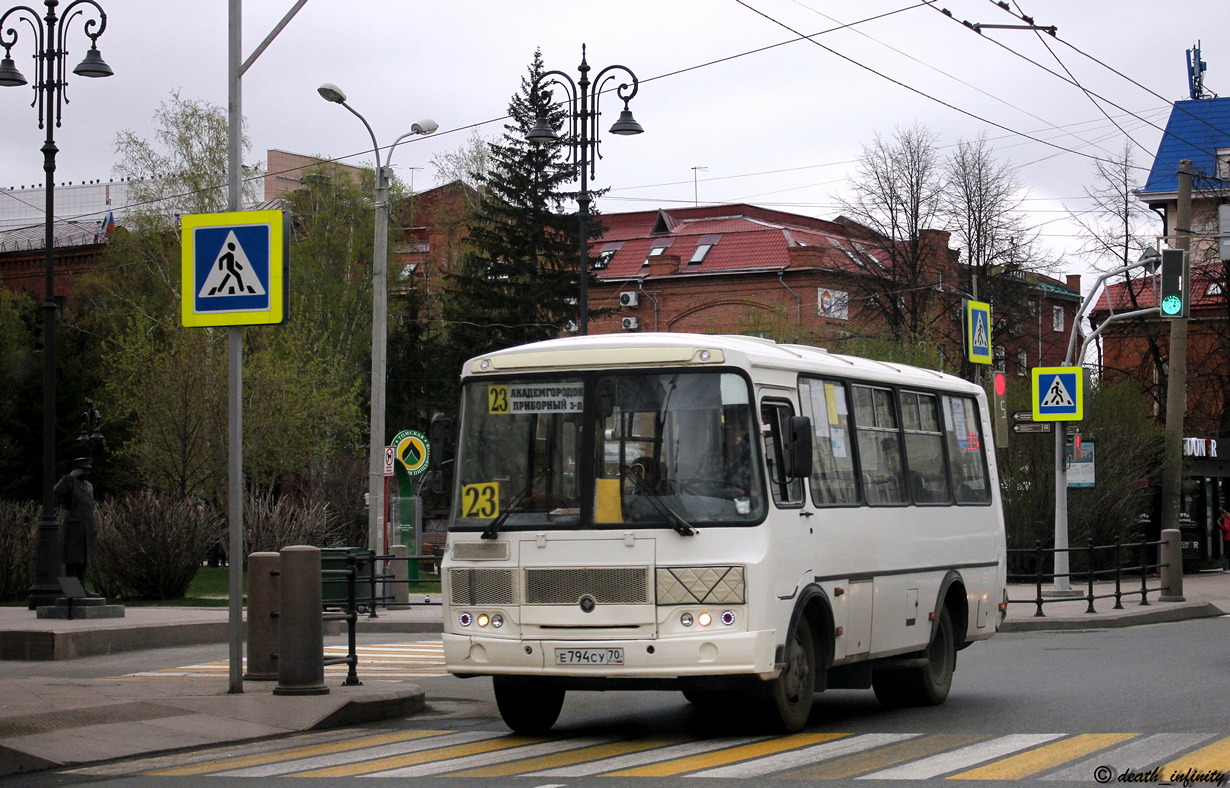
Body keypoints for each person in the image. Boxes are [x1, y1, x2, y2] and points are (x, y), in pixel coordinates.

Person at [55, 457, 97, 587]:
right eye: (85, 470)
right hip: (73, 526)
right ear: (78, 470)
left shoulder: (89, 486)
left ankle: (82, 588)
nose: (87, 472)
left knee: (84, 559)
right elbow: (57, 491)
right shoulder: (70, 482)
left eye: (89, 470)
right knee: (73, 559)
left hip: (87, 526)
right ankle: (73, 590)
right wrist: (69, 477)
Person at [1220, 508, 1230, 573]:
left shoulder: (1226, 520)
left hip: (1228, 538)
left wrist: (1220, 525)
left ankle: (1228, 568)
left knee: (1228, 553)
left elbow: (1226, 529)